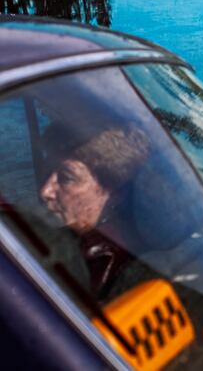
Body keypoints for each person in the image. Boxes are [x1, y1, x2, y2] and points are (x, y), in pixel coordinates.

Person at [39, 124, 149, 296]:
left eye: (67, 178)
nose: (45, 191)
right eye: (47, 168)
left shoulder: (94, 266)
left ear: (116, 194)